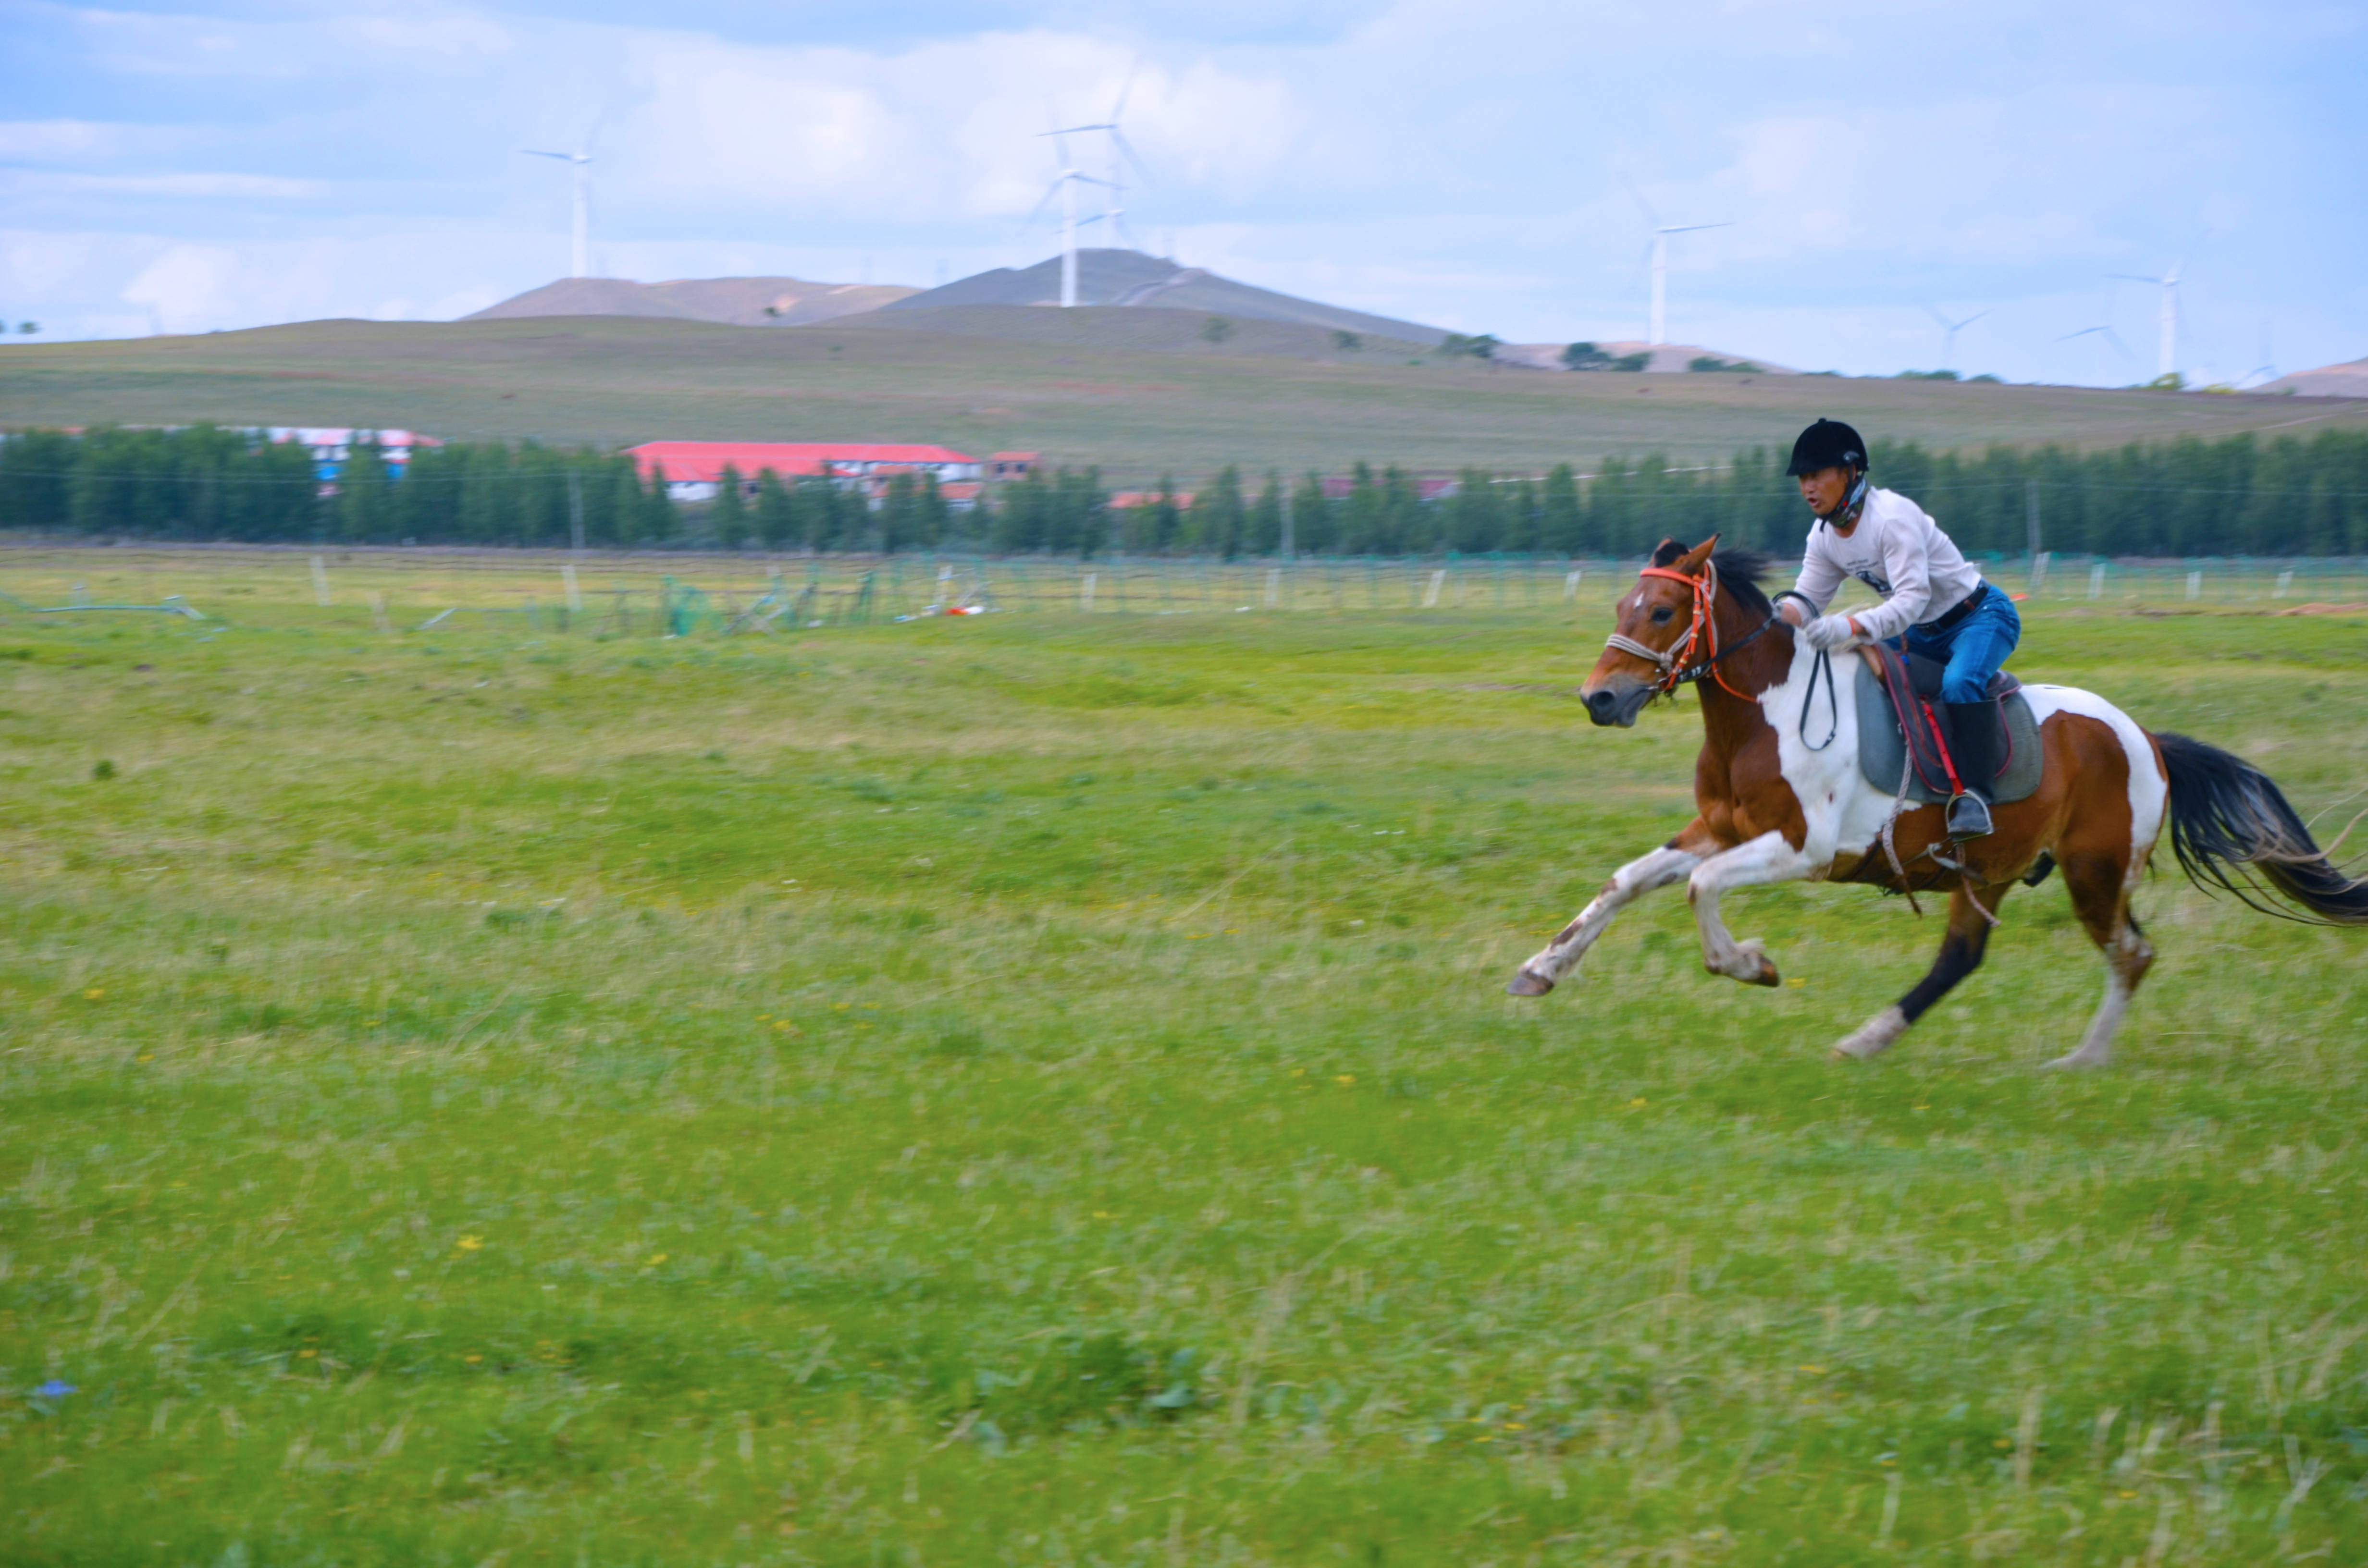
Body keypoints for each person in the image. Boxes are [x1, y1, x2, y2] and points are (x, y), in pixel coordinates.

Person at [1773, 418, 2021, 837]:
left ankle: (1977, 798)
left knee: (1959, 683)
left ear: (1850, 472)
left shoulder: (1891, 518)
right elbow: (1807, 601)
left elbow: (1911, 601)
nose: (1807, 488)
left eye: (1816, 475)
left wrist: (1849, 625)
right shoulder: (1823, 536)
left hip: (1980, 617)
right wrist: (1771, 617)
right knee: (1851, 667)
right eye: (1802, 478)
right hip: (1920, 632)